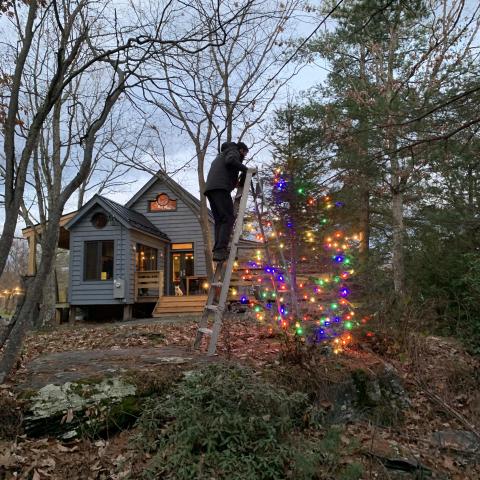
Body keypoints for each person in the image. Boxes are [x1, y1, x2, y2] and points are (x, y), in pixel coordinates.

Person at [204, 141, 251, 262]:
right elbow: (231, 161)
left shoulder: (221, 156)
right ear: (241, 150)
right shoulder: (233, 151)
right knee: (228, 218)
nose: (244, 157)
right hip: (220, 188)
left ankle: (218, 250)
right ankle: (220, 250)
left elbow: (227, 170)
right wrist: (247, 170)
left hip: (211, 189)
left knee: (220, 220)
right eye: (244, 154)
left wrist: (237, 181)